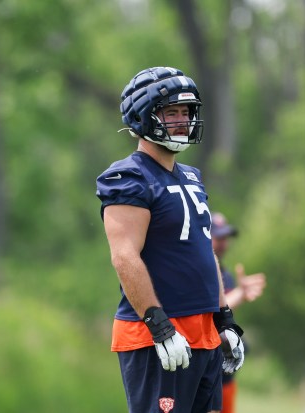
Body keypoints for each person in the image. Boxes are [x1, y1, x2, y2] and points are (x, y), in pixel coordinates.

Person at [96, 66, 245, 413]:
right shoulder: (128, 176)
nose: (181, 121)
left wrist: (224, 318)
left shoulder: (192, 176)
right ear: (143, 116)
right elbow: (124, 257)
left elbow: (204, 251)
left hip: (203, 330)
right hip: (160, 333)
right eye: (170, 112)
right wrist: (158, 326)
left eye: (186, 112)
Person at [210, 212, 266, 413]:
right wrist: (240, 294)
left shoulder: (226, 275)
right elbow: (212, 310)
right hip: (202, 365)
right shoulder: (200, 270)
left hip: (223, 372)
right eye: (219, 237)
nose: (224, 243)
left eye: (226, 238)